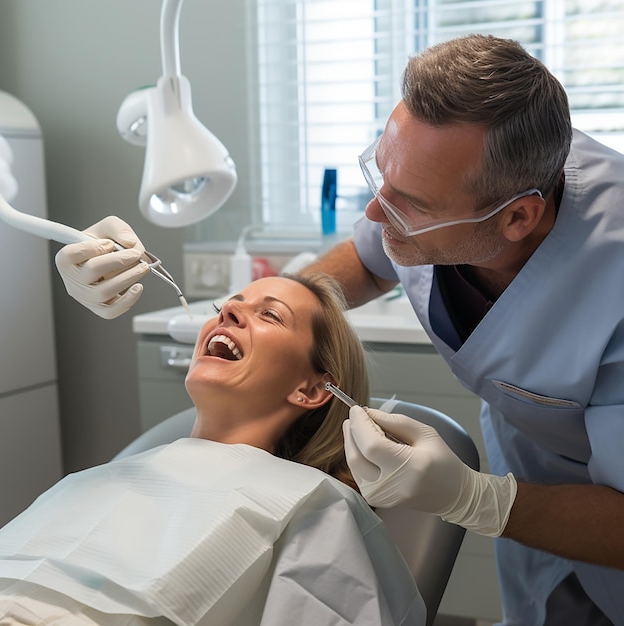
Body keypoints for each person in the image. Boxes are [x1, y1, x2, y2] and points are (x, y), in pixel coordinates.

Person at [51, 33, 624, 625]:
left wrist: (475, 498)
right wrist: (268, 303)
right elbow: (366, 259)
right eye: (381, 176)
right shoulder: (443, 178)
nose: (376, 216)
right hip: (529, 458)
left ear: (517, 217)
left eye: (411, 205)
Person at [0, 274, 425, 625]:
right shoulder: (113, 478)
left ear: (311, 389)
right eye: (230, 303)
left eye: (270, 315)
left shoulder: (315, 504)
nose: (228, 310)